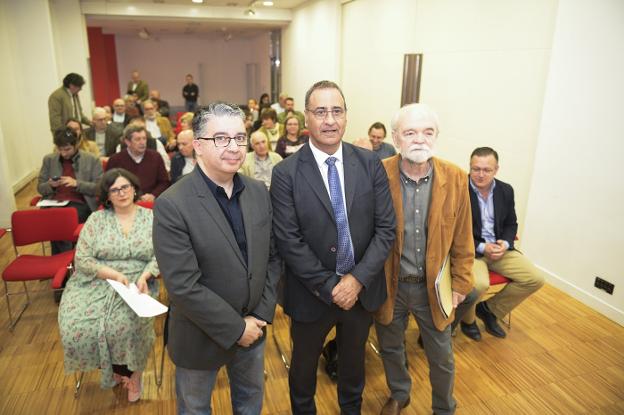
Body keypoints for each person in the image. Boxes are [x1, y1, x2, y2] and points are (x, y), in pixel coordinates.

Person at [270, 80, 396, 414]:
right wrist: (331, 286)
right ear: (306, 118)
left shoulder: (370, 165)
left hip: (361, 290)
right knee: (303, 371)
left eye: (336, 111)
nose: (329, 120)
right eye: (320, 112)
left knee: (354, 367)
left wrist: (355, 281)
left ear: (346, 116)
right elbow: (288, 239)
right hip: (310, 293)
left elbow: (386, 229)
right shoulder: (286, 173)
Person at [153, 101, 281, 414]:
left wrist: (260, 315)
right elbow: (183, 286)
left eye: (240, 137)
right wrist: (237, 328)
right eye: (221, 138)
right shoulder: (172, 205)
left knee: (250, 403)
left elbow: (273, 259)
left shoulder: (257, 192)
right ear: (197, 146)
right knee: (195, 408)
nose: (235, 147)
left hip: (254, 328)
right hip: (200, 335)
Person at [373, 104, 474, 415]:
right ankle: (400, 393)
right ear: (396, 138)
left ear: (436, 137)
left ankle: (444, 407)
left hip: (434, 287)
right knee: (390, 347)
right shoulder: (378, 173)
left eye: (427, 132)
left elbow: (462, 235)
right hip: (390, 284)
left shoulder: (456, 177)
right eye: (410, 132)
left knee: (441, 355)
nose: (420, 139)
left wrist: (460, 283)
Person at [58, 168, 160, 402]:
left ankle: (133, 372)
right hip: (97, 279)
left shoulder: (151, 218)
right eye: (115, 190)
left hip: (137, 282)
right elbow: (82, 259)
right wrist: (112, 274)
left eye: (125, 187)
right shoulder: (96, 220)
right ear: (107, 195)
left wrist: (146, 275)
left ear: (134, 189)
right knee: (76, 327)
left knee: (123, 325)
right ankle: (112, 367)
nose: (121, 193)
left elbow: (162, 254)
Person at [459, 146, 545, 340]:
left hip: (500, 250)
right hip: (472, 250)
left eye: (487, 170)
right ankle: (468, 320)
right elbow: (452, 231)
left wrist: (505, 244)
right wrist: (482, 247)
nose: (480, 175)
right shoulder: (458, 189)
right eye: (476, 169)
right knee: (478, 285)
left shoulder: (505, 190)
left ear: (496, 169)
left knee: (535, 279)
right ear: (470, 167)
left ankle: (489, 310)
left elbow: (511, 223)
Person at [37, 127, 103, 253]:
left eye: (67, 149)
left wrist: (77, 183)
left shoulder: (91, 160)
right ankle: (68, 260)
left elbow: (99, 188)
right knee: (55, 219)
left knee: (61, 220)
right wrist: (50, 185)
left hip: (80, 203)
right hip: (53, 203)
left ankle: (62, 261)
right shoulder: (49, 160)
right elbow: (40, 188)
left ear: (77, 144)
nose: (63, 153)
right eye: (60, 149)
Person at [106, 124, 170, 201]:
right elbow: (108, 185)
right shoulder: (115, 160)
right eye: (137, 139)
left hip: (151, 201)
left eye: (144, 139)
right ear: (128, 142)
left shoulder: (156, 157)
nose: (142, 142)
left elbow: (164, 182)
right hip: (124, 201)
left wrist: (153, 195)